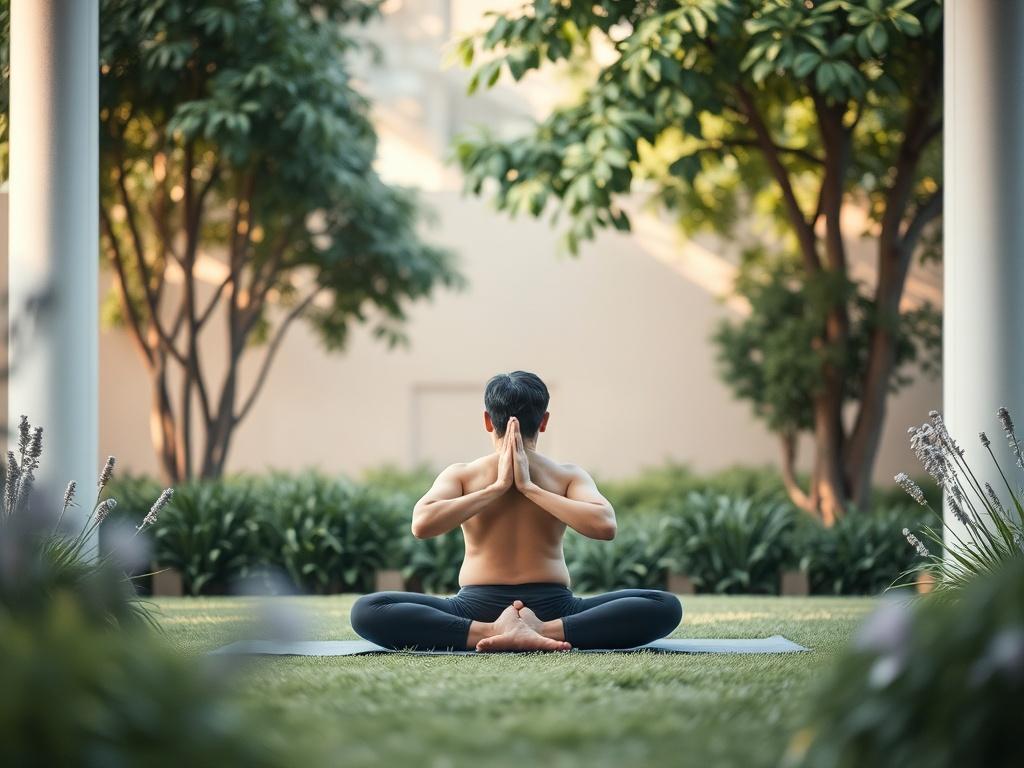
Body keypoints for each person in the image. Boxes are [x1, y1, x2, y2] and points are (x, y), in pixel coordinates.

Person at [351, 371, 682, 652]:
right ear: (544, 421)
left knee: (664, 605)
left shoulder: (465, 474)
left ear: (486, 420)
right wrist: (495, 488)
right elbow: (422, 524)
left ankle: (533, 630)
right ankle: (500, 631)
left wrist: (529, 488)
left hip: (549, 609)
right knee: (368, 609)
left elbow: (604, 526)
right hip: (481, 608)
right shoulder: (564, 475)